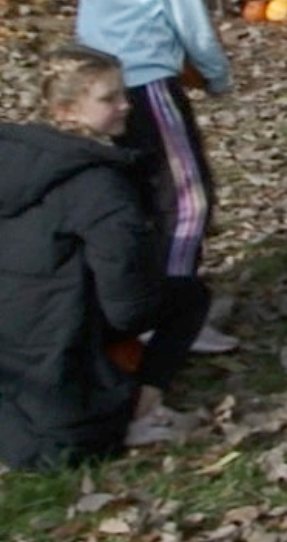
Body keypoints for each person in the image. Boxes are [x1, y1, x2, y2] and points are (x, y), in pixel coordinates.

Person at [75, 0, 239, 360]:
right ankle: (171, 313)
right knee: (189, 198)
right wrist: (216, 74)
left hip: (105, 84)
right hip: (145, 81)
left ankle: (146, 301)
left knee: (145, 196)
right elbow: (190, 22)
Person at [0, 47, 167, 468]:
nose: (126, 105)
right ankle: (143, 400)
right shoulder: (100, 186)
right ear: (67, 110)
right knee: (189, 298)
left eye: (123, 94)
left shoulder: (17, 159)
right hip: (61, 379)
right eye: (109, 99)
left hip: (12, 344)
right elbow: (129, 307)